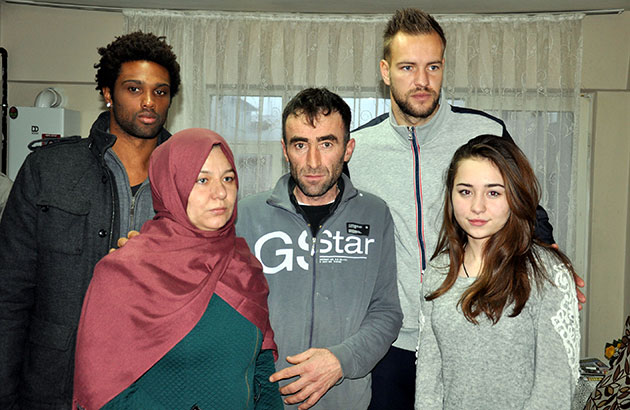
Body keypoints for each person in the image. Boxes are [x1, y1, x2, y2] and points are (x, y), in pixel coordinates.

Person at [348, 8, 584, 409]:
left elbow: (524, 204)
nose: (422, 81)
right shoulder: (358, 150)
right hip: (390, 342)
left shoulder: (484, 130)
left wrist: (550, 262)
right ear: (385, 72)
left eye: (433, 67)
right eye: (407, 67)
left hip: (469, 328)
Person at [0, 31, 180, 409]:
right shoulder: (48, 170)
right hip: (57, 384)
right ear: (108, 93)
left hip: (156, 383)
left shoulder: (190, 181)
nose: (149, 101)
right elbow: (10, 294)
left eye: (161, 91)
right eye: (134, 88)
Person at [73, 129, 282, 410]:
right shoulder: (126, 273)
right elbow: (104, 394)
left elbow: (262, 369)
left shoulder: (243, 266)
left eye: (228, 178)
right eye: (202, 180)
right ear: (172, 186)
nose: (220, 193)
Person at [236, 87, 402, 409]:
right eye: (301, 145)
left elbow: (386, 312)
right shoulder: (247, 216)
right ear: (285, 150)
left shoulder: (375, 214)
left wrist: (340, 361)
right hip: (264, 401)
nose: (313, 162)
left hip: (346, 401)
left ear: (348, 149)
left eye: (327, 144)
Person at [415, 134, 580, 409]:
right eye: (465, 191)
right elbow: (429, 378)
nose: (477, 207)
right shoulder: (438, 271)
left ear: (515, 196)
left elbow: (555, 387)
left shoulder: (547, 272)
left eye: (493, 193)